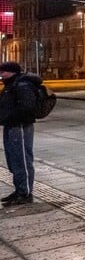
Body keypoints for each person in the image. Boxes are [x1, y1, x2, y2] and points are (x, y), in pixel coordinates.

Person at [0, 61, 40, 206]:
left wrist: (8, 117)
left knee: (23, 160)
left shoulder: (22, 85)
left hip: (20, 127)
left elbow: (26, 107)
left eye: (3, 71)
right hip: (11, 126)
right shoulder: (10, 85)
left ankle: (25, 193)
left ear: (11, 72)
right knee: (14, 160)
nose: (1, 74)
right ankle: (19, 190)